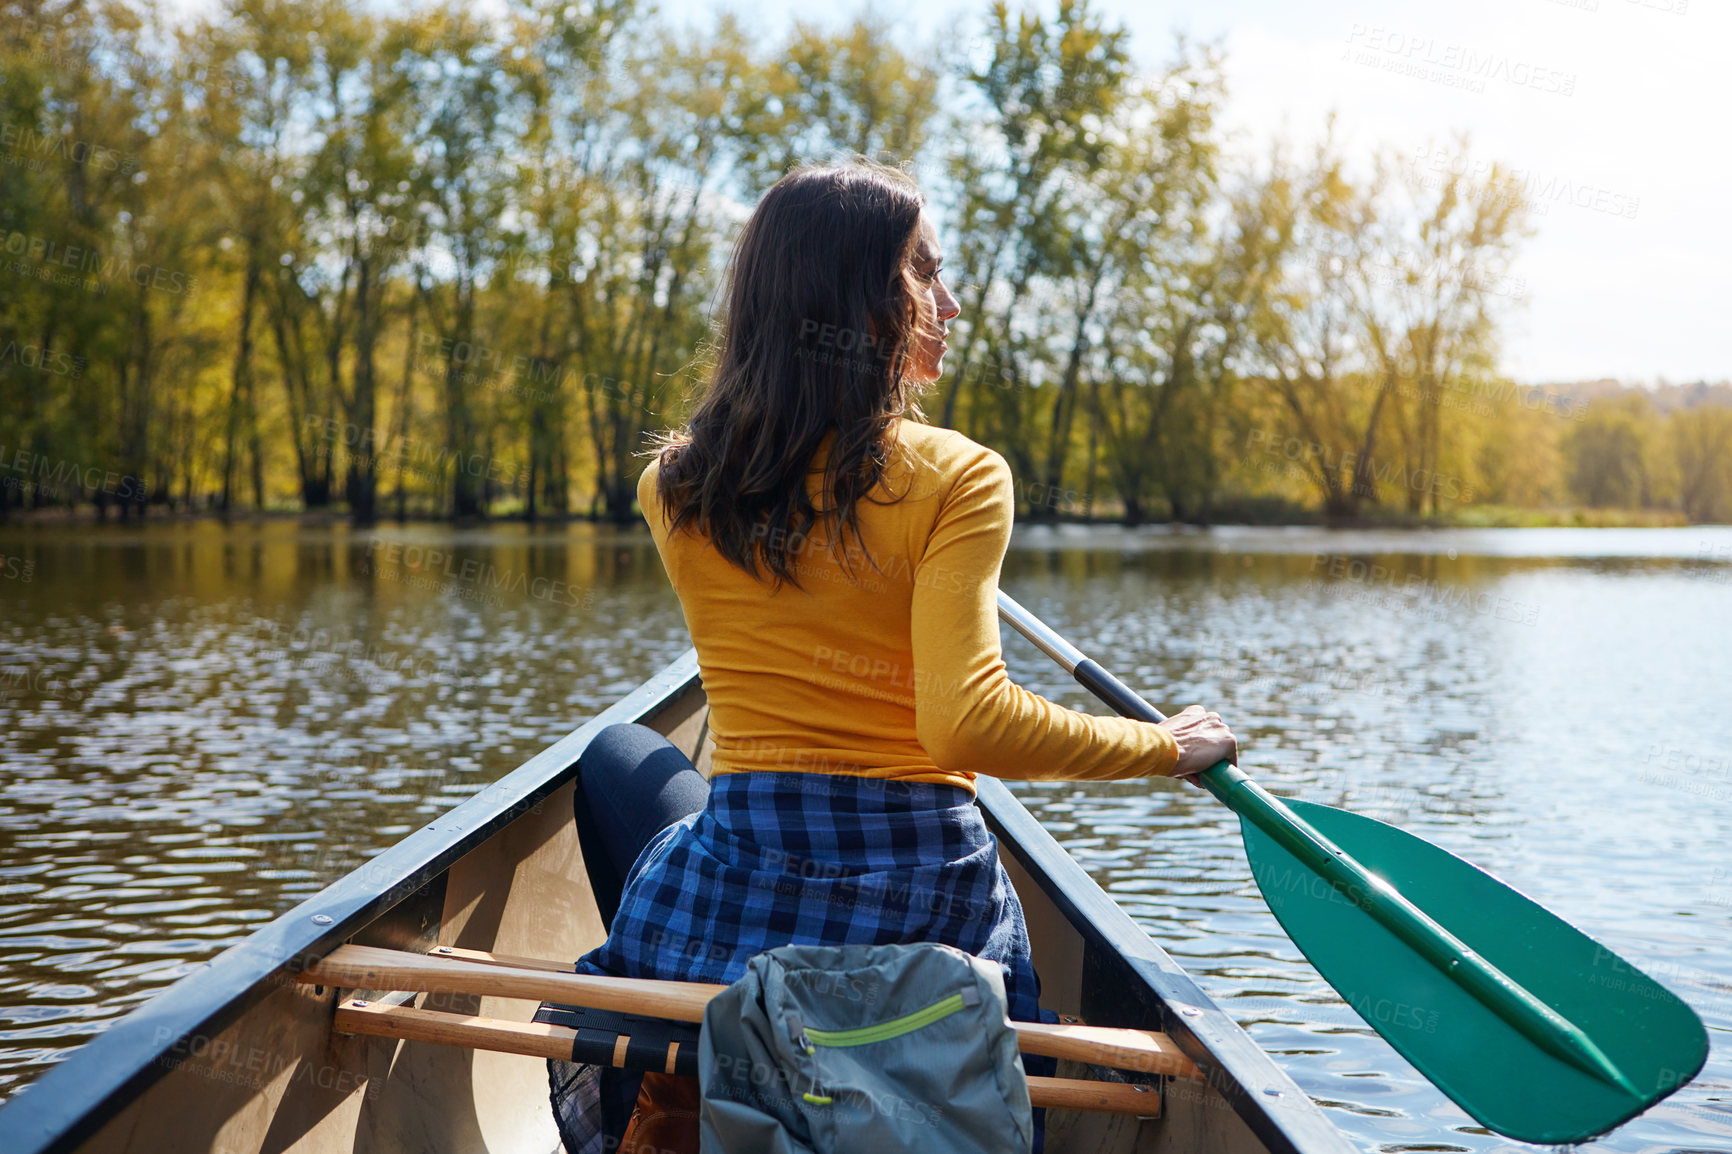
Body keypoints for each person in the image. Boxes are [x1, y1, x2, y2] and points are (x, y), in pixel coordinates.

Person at [538, 159, 1238, 1154]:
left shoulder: (675, 483)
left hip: (748, 869)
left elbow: (801, 546)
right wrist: (1158, 745)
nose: (947, 302)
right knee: (639, 762)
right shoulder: (961, 476)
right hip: (924, 900)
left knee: (620, 755)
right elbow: (963, 723)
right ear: (856, 299)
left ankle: (686, 1064)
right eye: (924, 272)